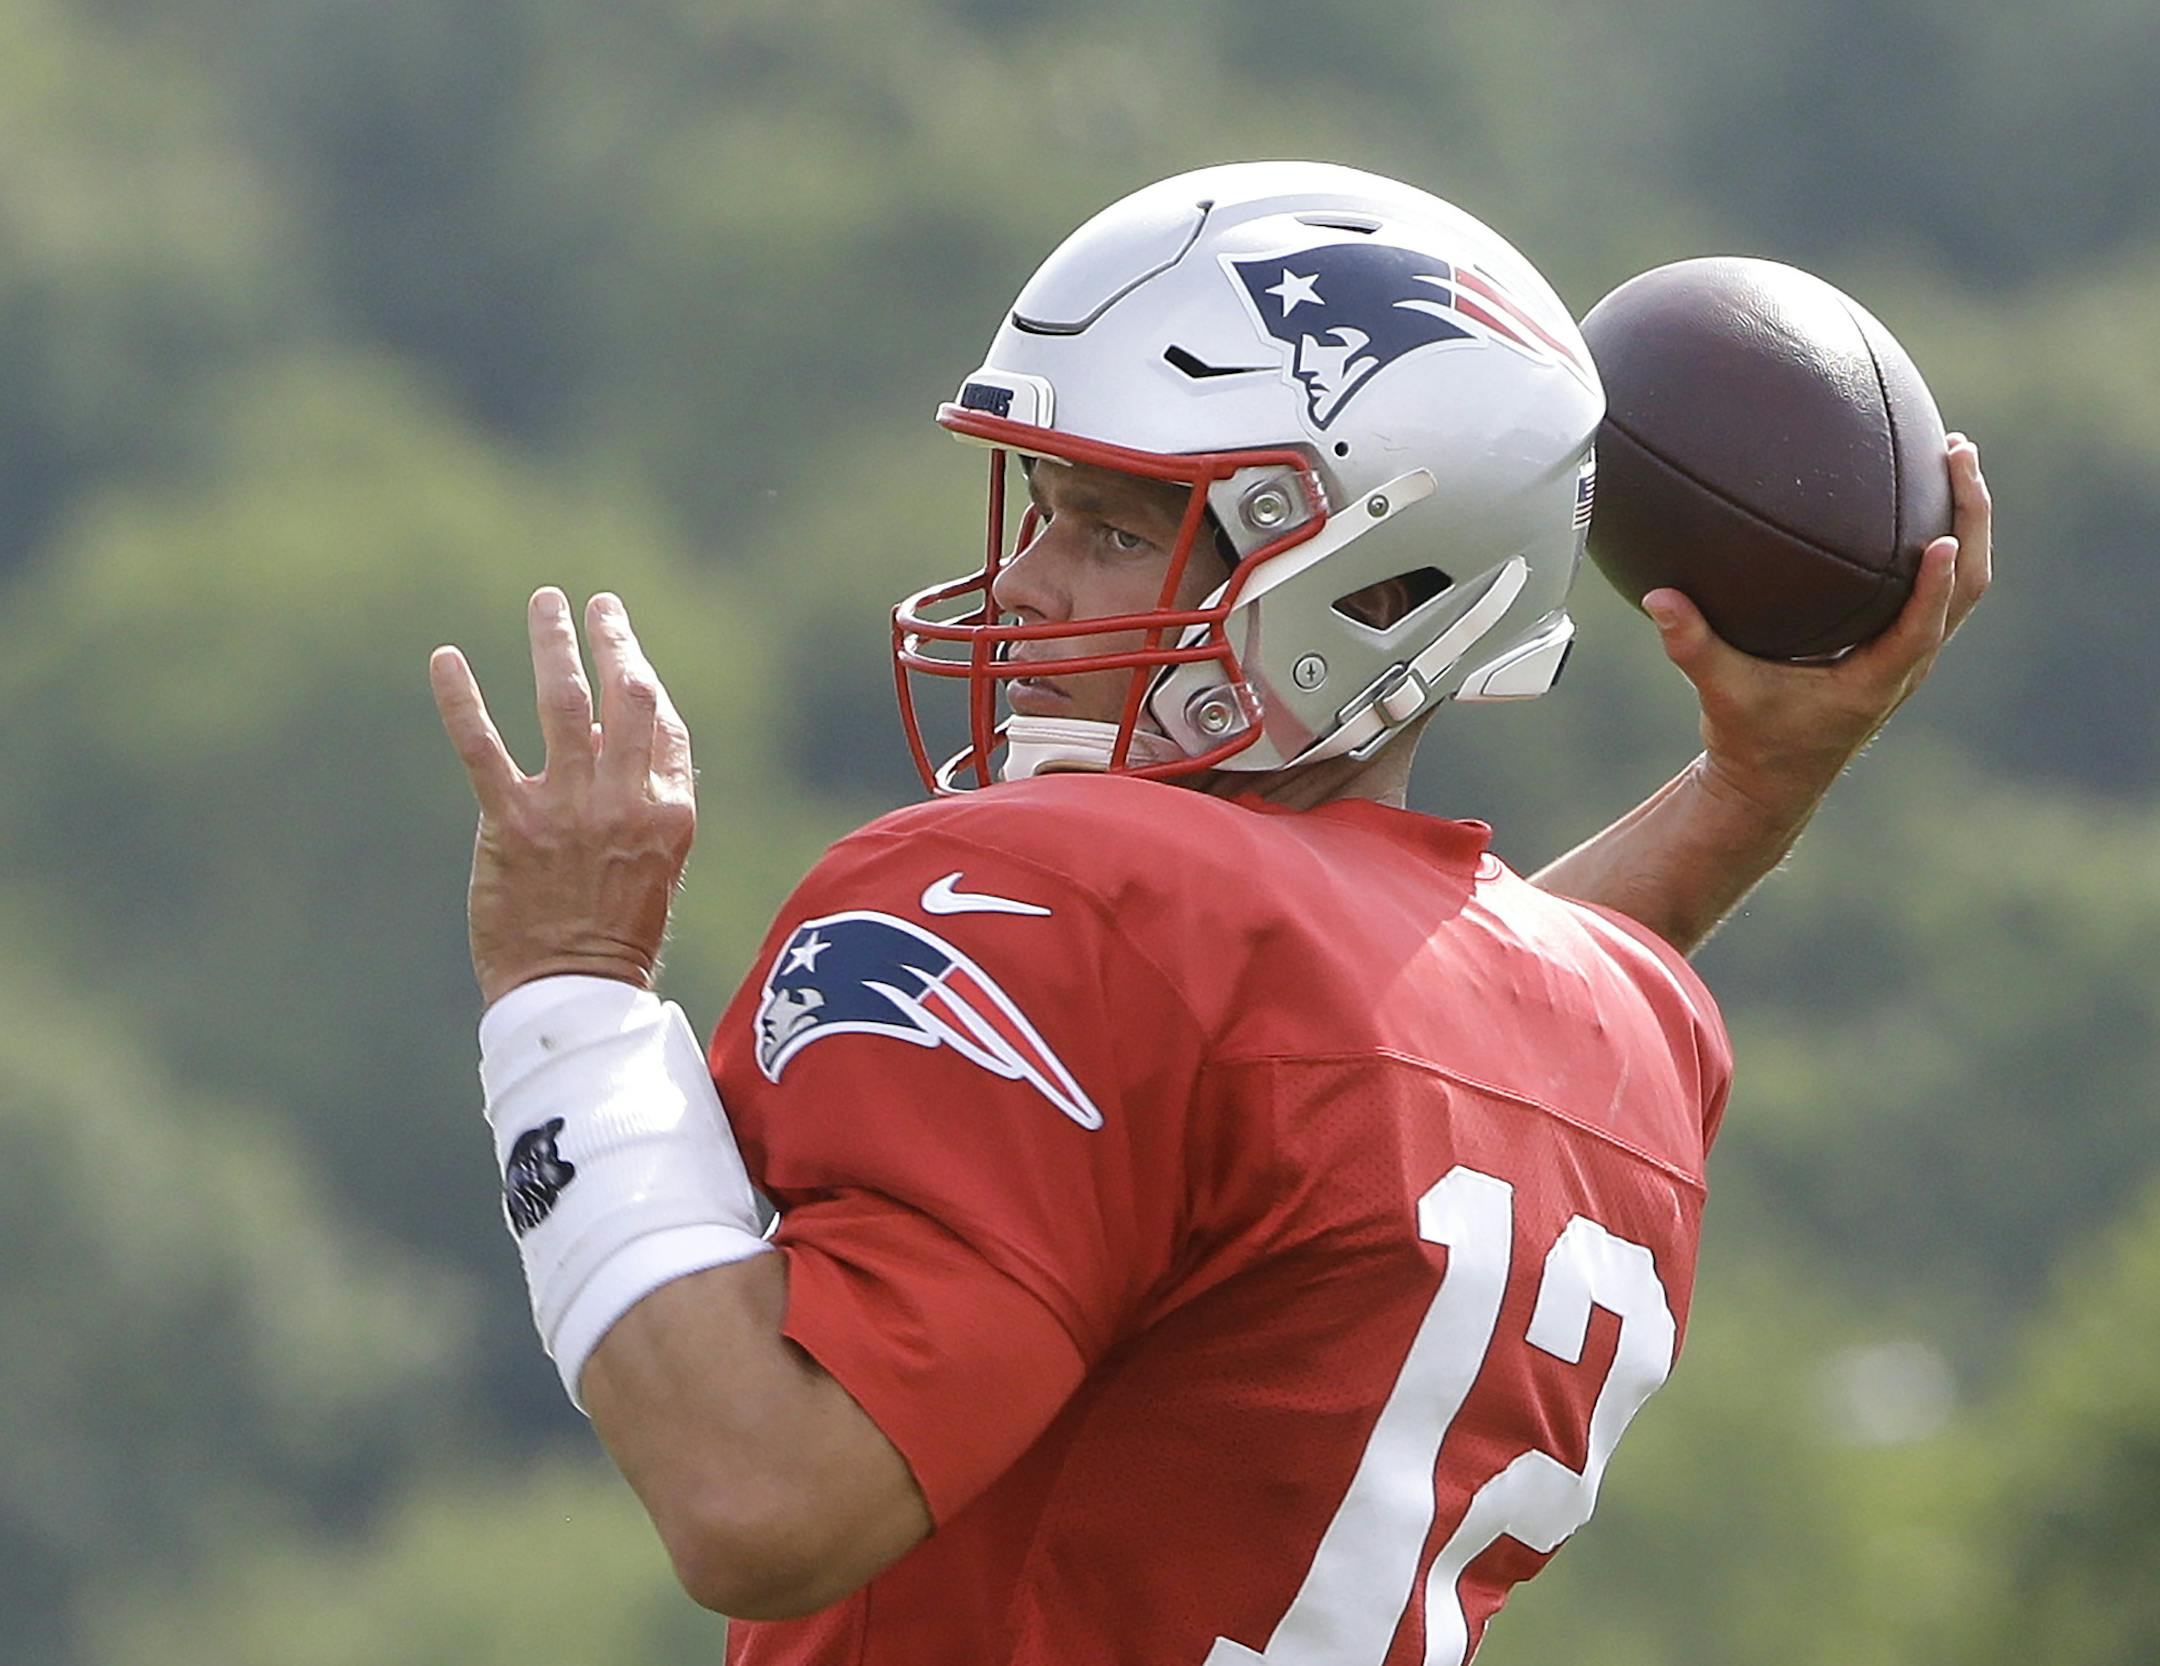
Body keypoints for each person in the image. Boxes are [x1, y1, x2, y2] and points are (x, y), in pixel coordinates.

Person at [430, 163, 1990, 1665]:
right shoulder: (1628, 1029)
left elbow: (759, 1496)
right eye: (1041, 507)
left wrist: (568, 988)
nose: (1029, 583)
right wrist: (1756, 784)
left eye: (1117, 528)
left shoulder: (1088, 900)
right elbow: (1395, 1020)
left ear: (1376, 588)